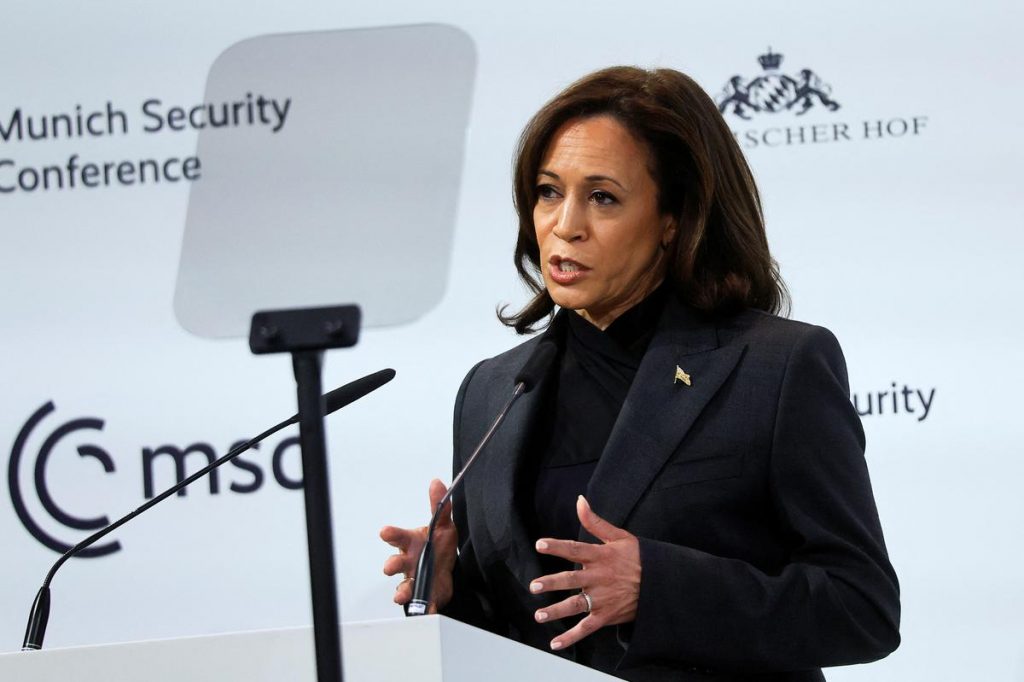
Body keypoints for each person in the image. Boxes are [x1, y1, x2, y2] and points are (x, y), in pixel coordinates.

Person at [380, 66, 899, 681]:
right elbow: (528, 632)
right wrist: (449, 595)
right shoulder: (492, 392)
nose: (565, 225)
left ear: (673, 220)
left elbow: (861, 607)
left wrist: (660, 588)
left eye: (602, 197)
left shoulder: (774, 367)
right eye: (549, 192)